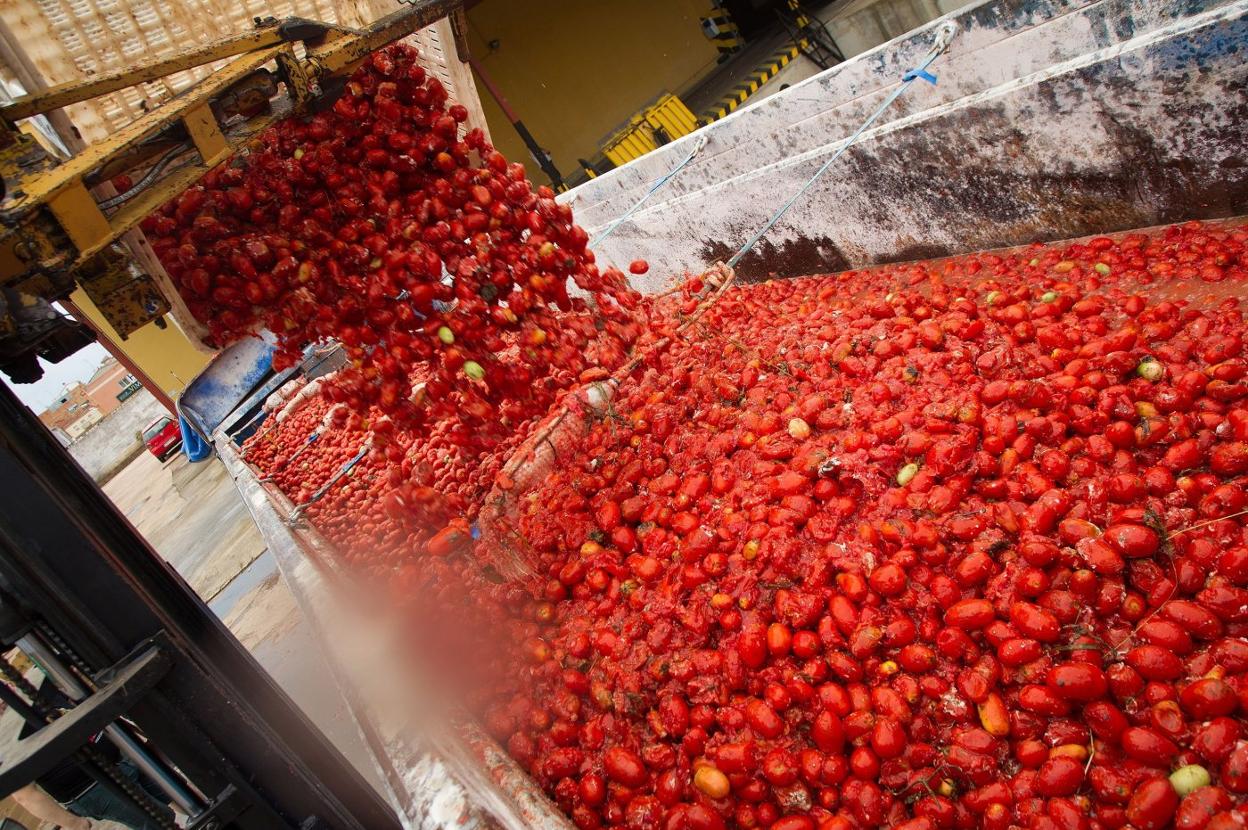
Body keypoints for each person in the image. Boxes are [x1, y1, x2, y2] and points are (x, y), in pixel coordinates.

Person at [9, 680, 175, 830]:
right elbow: (24, 795)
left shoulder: (31, 697)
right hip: (91, 787)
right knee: (159, 821)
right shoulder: (7, 745)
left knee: (171, 797)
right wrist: (72, 823)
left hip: (116, 762)